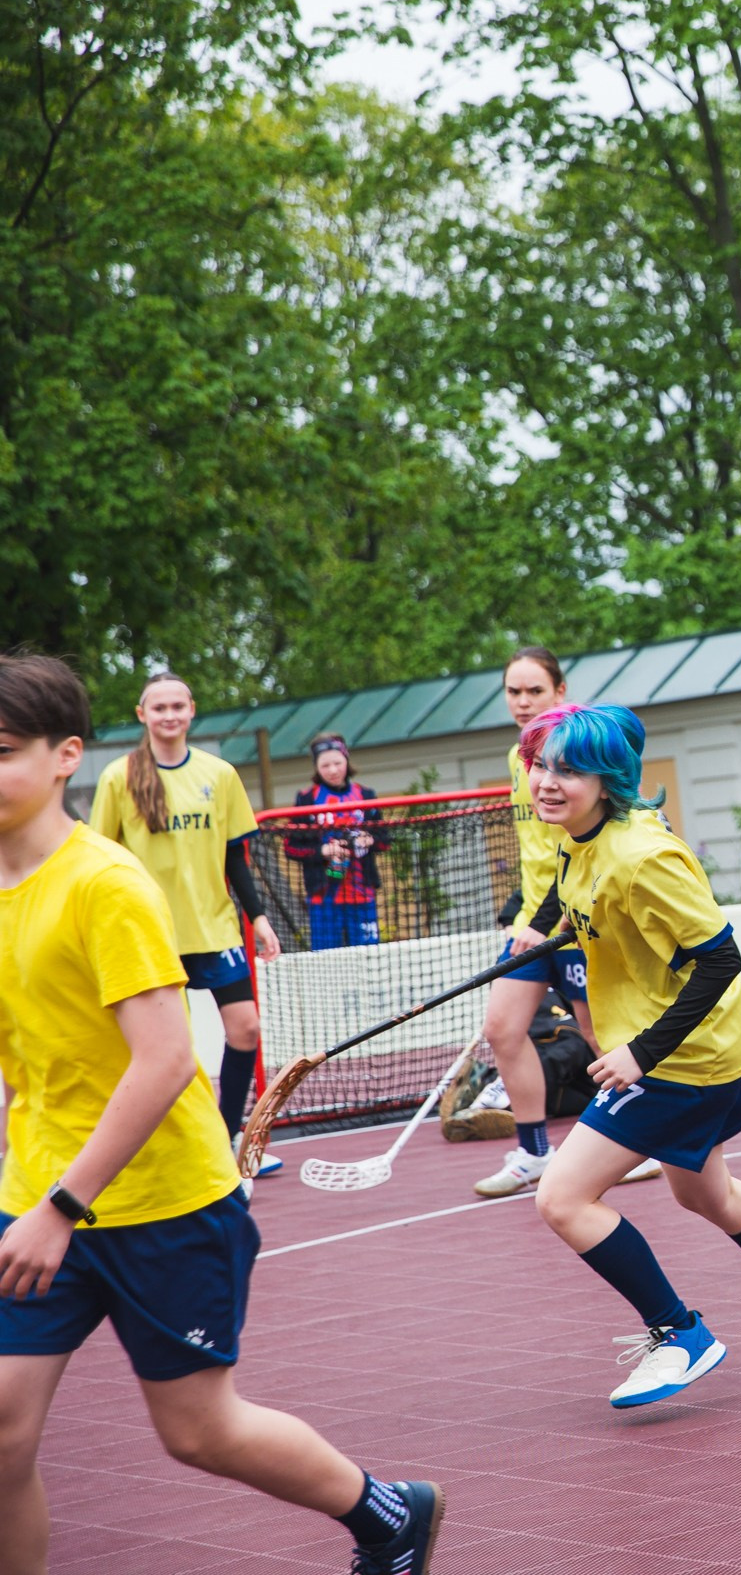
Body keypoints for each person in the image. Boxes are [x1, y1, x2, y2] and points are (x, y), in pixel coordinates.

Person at [0, 653, 442, 1574]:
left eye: (1, 750)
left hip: (158, 1205)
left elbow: (165, 1062)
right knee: (3, 1438)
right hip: (40, 1198)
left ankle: (387, 1514)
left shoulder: (103, 886)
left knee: (198, 1433)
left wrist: (62, 1206)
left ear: (64, 757)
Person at [519, 702, 741, 1406]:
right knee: (704, 1191)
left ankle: (679, 1334)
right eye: (543, 764)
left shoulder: (644, 857)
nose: (548, 781)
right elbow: (572, 889)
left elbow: (720, 957)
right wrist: (538, 929)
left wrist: (641, 1053)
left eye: (570, 770)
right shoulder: (581, 836)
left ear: (608, 782)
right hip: (697, 1051)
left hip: (680, 1060)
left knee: (562, 1196)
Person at [471, 646, 658, 1198]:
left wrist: (546, 919)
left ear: (559, 691)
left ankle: (641, 1142)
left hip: (576, 918)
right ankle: (533, 1153)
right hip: (534, 920)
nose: (522, 701)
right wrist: (521, 913)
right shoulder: (518, 757)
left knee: (602, 1035)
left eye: (534, 691)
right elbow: (537, 849)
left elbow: (581, 847)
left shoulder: (582, 750)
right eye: (513, 691)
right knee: (503, 1030)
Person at [88, 674, 285, 1178]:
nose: (169, 715)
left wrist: (258, 917)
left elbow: (235, 857)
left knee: (245, 1029)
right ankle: (177, 1150)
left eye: (178, 706)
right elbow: (97, 858)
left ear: (192, 710)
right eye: (159, 708)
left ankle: (229, 1136)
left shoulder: (219, 775)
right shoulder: (119, 777)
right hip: (150, 935)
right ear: (142, 715)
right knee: (172, 1053)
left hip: (215, 929)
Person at [281, 734, 384, 951]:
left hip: (362, 893)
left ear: (347, 761)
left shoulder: (365, 795)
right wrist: (324, 851)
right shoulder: (306, 799)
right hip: (324, 897)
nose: (333, 770)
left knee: (369, 955)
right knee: (326, 958)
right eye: (325, 765)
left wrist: (369, 839)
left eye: (338, 763)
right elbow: (290, 847)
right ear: (316, 767)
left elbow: (385, 840)